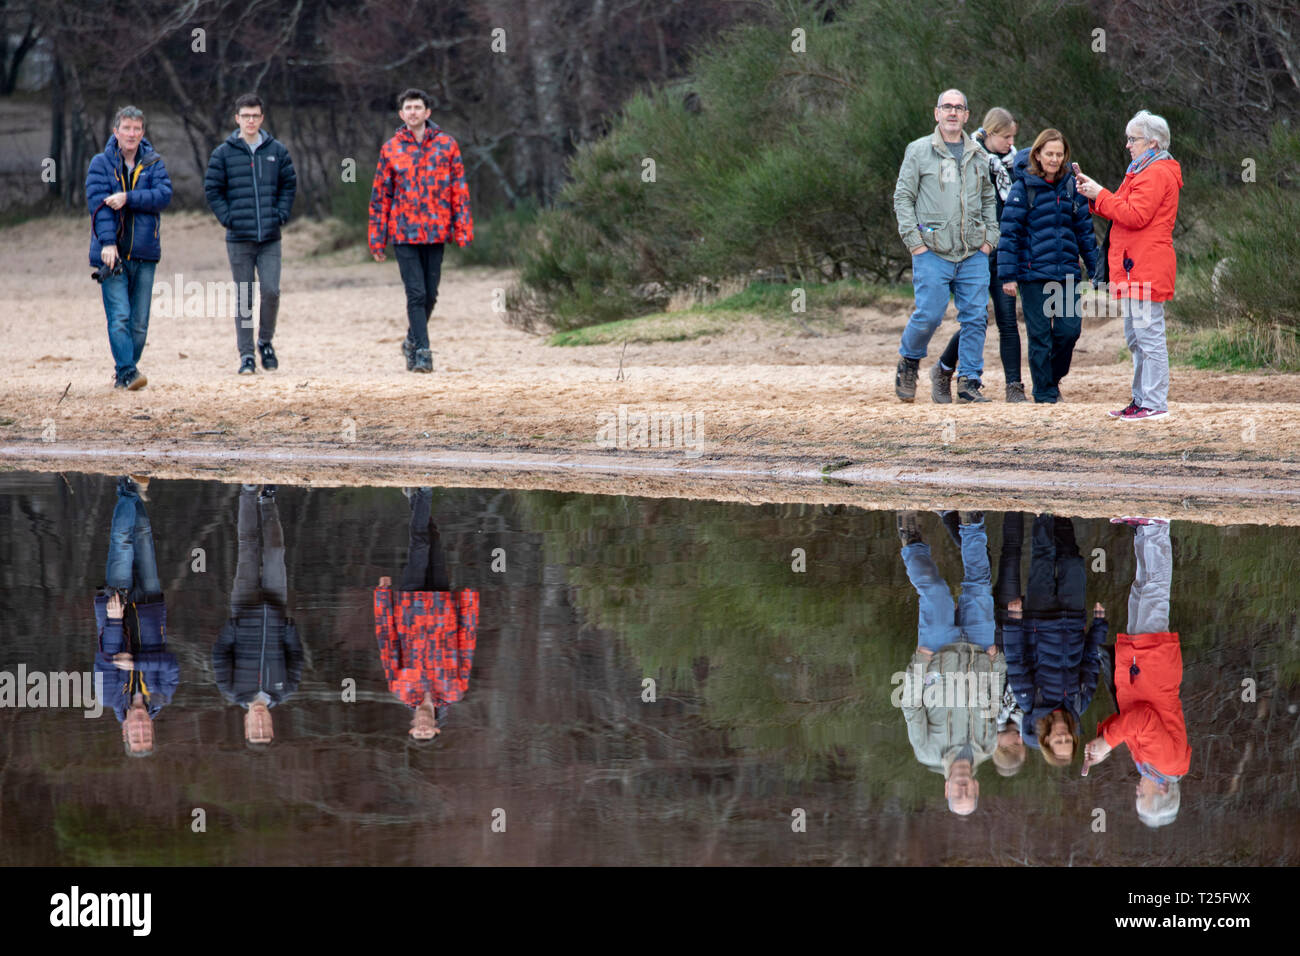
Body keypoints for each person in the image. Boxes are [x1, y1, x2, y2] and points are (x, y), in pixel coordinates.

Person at [1074, 111, 1183, 421]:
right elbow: (1118, 207)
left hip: (1147, 265)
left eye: (1132, 139)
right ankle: (1141, 399)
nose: (1127, 145)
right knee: (1137, 337)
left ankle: (1154, 402)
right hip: (1135, 266)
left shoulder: (1156, 172)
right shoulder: (1140, 170)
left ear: (1152, 143)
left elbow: (1135, 215)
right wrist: (1093, 192)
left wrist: (1100, 194)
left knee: (1148, 336)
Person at [893, 89, 1000, 404]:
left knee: (976, 317)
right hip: (931, 249)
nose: (953, 112)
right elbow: (903, 198)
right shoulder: (918, 151)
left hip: (972, 252)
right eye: (947, 107)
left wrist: (989, 239)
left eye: (959, 108)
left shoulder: (979, 155)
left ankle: (969, 381)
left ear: (967, 115)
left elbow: (988, 198)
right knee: (929, 314)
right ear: (936, 113)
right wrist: (915, 242)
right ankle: (910, 361)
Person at [896, 510, 1005, 814]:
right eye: (968, 792)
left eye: (957, 794)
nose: (962, 788)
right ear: (976, 787)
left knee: (935, 592)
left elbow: (911, 706)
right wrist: (997, 664)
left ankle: (912, 542)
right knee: (980, 584)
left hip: (936, 651)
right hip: (980, 650)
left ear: (946, 790)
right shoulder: (988, 746)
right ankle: (972, 523)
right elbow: (993, 702)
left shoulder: (926, 751)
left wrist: (920, 661)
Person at [1083, 518, 1188, 827]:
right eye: (1142, 797)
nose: (1136, 792)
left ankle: (1144, 530)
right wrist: (1109, 742)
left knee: (1142, 590)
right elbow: (1142, 718)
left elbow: (1129, 724)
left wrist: (1101, 741)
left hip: (1137, 670)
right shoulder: (1168, 762)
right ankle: (1157, 526)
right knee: (1154, 591)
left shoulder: (1148, 765)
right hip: (1152, 667)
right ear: (1163, 790)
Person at [368, 88, 474, 374]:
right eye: (408, 108)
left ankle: (411, 341)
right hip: (403, 233)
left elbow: (459, 190)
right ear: (401, 115)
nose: (413, 112)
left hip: (436, 231)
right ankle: (424, 353)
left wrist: (462, 229)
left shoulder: (446, 145)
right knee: (415, 294)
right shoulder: (391, 149)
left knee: (430, 295)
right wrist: (377, 239)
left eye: (418, 107)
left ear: (427, 113)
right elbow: (381, 197)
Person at [997, 130, 1100, 403]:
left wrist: (1097, 271)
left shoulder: (1071, 187)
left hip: (1066, 273)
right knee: (1040, 336)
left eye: (1059, 154)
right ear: (1038, 155)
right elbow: (1009, 234)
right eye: (1049, 154)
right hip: (1032, 275)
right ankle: (1044, 394)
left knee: (1069, 331)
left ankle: (1051, 380)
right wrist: (1008, 276)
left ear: (1065, 156)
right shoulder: (1022, 188)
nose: (1054, 159)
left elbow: (1085, 232)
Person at [932, 108, 1026, 403]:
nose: (1011, 143)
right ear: (990, 132)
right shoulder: (970, 159)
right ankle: (945, 370)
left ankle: (1014, 386)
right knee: (975, 319)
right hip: (973, 252)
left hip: (1005, 253)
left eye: (1014, 137)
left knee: (1007, 320)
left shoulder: (1015, 166)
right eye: (1006, 137)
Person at [204, 94, 298, 375]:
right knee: (244, 296)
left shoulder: (277, 151)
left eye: (255, 115)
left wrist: (280, 214)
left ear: (262, 118)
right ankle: (246, 355)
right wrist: (228, 218)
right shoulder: (224, 153)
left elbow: (289, 185)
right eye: (246, 116)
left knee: (271, 291)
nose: (251, 120)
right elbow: (212, 189)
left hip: (270, 237)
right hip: (239, 237)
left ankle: (265, 341)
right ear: (237, 119)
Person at [1002, 515, 1108, 766]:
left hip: (1039, 618)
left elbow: (1016, 660)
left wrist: (1014, 621)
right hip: (1072, 620)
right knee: (1073, 562)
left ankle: (1044, 512)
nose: (1063, 738)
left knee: (1043, 557)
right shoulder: (1078, 704)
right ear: (1072, 737)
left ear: (1046, 738)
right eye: (1068, 741)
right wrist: (1099, 626)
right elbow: (1091, 663)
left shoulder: (1030, 701)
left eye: (1057, 742)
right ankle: (1063, 512)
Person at [374, 489, 480, 739]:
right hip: (443, 606)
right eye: (427, 732)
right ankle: (415, 500)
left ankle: (423, 491)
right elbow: (467, 643)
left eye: (417, 732)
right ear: (435, 727)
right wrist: (469, 602)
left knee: (419, 545)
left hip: (410, 606)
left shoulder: (400, 689)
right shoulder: (455, 691)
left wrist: (382, 596)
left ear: (411, 727)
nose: (422, 728)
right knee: (433, 543)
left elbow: (387, 642)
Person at [86, 106, 173, 391]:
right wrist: (108, 244)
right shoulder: (100, 164)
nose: (132, 134)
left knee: (139, 323)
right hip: (112, 254)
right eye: (126, 128)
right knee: (120, 316)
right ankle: (127, 371)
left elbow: (163, 196)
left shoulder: (153, 163)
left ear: (142, 132)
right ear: (116, 132)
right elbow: (98, 207)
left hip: (145, 253)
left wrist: (128, 197)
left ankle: (125, 372)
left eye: (137, 129)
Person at [93, 475, 179, 756]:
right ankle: (132, 487)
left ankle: (127, 486)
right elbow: (170, 664)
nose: (141, 729)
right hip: (151, 608)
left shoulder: (108, 697)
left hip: (116, 612)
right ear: (152, 730)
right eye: (147, 735)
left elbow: (105, 658)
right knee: (143, 537)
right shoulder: (162, 697)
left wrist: (116, 620)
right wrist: (137, 662)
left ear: (124, 732)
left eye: (136, 735)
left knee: (121, 542)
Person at [212, 484, 303, 747]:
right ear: (272, 727)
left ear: (247, 724)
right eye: (265, 730)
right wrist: (287, 628)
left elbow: (219, 653)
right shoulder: (285, 690)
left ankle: (248, 491)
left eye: (255, 730)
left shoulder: (232, 690)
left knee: (248, 548)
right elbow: (295, 655)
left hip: (243, 607)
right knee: (276, 552)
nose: (260, 724)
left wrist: (234, 627)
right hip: (276, 609)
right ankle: (267, 500)